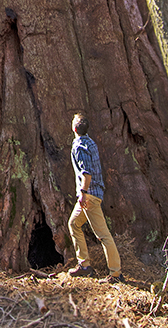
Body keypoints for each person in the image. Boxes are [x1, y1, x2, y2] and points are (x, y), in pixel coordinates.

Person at [67, 114, 123, 283]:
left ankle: (116, 274)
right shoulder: (90, 142)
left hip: (89, 196)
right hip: (94, 194)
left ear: (75, 129)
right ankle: (84, 265)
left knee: (103, 235)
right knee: (74, 224)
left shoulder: (80, 145)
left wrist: (83, 194)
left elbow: (86, 173)